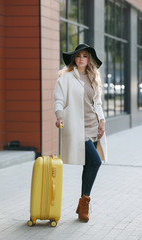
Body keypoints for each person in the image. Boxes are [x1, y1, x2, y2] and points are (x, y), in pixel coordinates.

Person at [54, 43, 107, 223]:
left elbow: (97, 103)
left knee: (88, 165)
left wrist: (102, 120)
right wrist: (59, 117)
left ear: (89, 59)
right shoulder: (66, 78)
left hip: (93, 127)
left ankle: (82, 205)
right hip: (78, 128)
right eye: (78, 56)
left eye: (85, 56)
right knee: (95, 161)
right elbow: (58, 100)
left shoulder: (93, 78)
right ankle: (85, 201)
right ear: (74, 59)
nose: (82, 59)